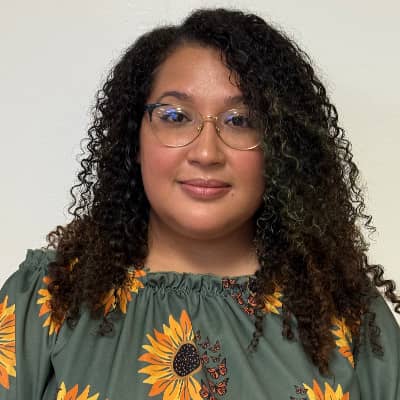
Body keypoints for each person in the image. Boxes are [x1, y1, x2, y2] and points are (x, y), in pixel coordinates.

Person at [0, 7, 399, 400]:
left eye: (241, 120)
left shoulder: (352, 318)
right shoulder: (47, 299)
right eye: (176, 116)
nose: (206, 153)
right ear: (134, 139)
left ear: (280, 147)